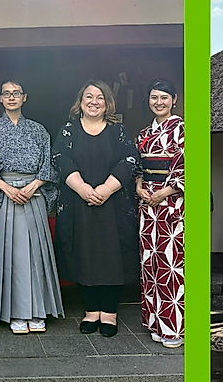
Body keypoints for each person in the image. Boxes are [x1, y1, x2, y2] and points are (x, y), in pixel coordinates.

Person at [52, 80, 140, 338]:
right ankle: (91, 310)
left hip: (112, 205)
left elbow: (131, 159)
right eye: (88, 96)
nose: (94, 101)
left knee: (112, 256)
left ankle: (109, 312)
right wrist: (81, 188)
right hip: (79, 204)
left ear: (107, 103)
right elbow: (59, 158)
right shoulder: (69, 130)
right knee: (84, 254)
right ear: (80, 102)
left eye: (100, 97)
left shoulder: (118, 131)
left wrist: (106, 189)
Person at [0, 80, 64, 335]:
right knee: (10, 255)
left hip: (32, 195)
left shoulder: (38, 131)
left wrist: (32, 187)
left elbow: (48, 165)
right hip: (6, 195)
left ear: (25, 97)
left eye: (16, 93)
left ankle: (37, 311)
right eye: (6, 93)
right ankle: (13, 312)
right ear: (0, 98)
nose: (12, 97)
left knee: (36, 253)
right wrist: (7, 189)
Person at [135, 79, 185, 347]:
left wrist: (166, 192)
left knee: (171, 265)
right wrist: (140, 186)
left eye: (164, 97)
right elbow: (139, 168)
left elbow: (187, 166)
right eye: (154, 97)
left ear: (174, 100)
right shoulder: (144, 134)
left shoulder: (182, 130)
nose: (159, 102)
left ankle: (174, 327)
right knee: (150, 264)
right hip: (148, 205)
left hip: (171, 203)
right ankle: (154, 321)